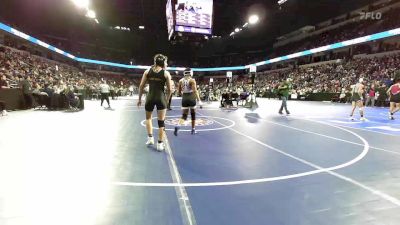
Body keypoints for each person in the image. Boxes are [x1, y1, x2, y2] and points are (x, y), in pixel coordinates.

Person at [137, 54, 172, 151]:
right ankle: (160, 144)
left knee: (148, 118)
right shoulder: (166, 73)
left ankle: (150, 138)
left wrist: (139, 99)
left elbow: (141, 86)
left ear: (155, 62)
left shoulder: (147, 71)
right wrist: (167, 100)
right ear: (163, 62)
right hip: (161, 98)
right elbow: (170, 89)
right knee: (161, 122)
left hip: (150, 97)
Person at [174, 68, 202, 136]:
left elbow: (179, 92)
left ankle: (178, 125)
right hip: (191, 97)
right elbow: (195, 91)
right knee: (193, 115)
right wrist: (199, 101)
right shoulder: (192, 80)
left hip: (184, 98)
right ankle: (193, 129)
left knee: (184, 116)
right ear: (191, 73)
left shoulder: (180, 81)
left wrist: (184, 92)